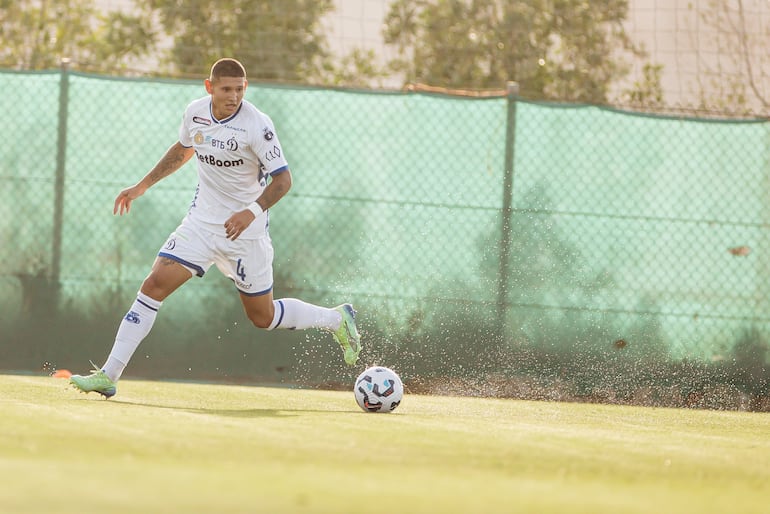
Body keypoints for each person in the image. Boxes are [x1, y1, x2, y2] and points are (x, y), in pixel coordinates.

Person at [70, 58, 361, 398]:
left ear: (245, 88)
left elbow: (283, 180)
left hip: (245, 235)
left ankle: (336, 319)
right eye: (226, 89)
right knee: (154, 285)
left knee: (262, 317)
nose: (233, 96)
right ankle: (109, 375)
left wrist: (251, 212)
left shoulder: (257, 125)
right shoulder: (195, 112)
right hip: (201, 224)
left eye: (239, 89)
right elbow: (183, 149)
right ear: (209, 87)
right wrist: (142, 185)